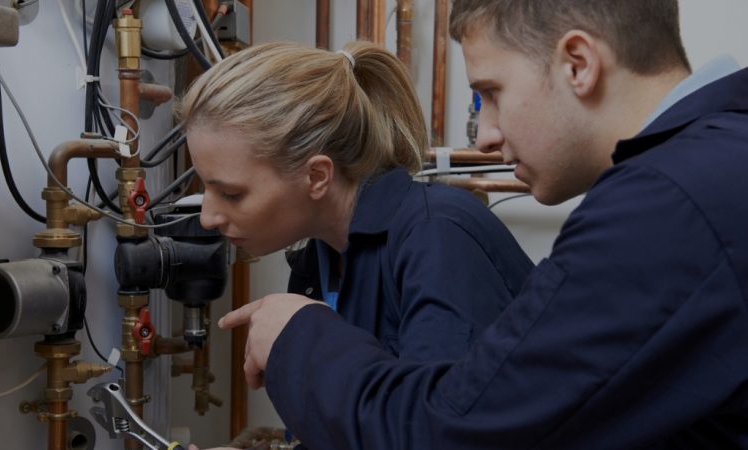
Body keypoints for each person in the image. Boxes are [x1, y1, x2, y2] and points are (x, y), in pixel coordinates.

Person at [212, 0, 748, 448]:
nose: (485, 135)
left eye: (491, 92)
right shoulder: (713, 170)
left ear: (579, 63)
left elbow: (451, 433)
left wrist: (297, 334)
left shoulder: (666, 205)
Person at [178, 40, 534, 449]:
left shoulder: (438, 238)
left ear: (317, 176)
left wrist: (302, 336)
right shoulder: (320, 262)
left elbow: (437, 437)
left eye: (232, 194)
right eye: (205, 188)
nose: (208, 217)